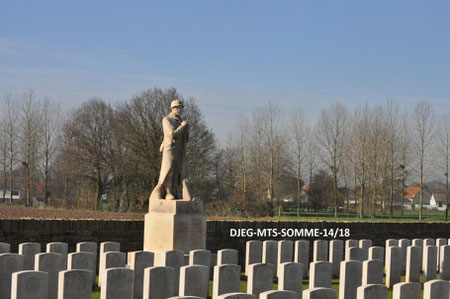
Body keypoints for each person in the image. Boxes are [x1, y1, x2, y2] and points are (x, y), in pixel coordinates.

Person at [150, 99, 192, 200]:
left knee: (178, 172)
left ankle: (175, 192)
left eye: (180, 108)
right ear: (172, 109)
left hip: (180, 149)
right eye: (177, 107)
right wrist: (182, 127)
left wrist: (186, 130)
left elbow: (185, 139)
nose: (179, 110)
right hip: (170, 148)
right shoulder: (167, 119)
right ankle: (167, 193)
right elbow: (172, 134)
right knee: (168, 170)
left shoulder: (181, 121)